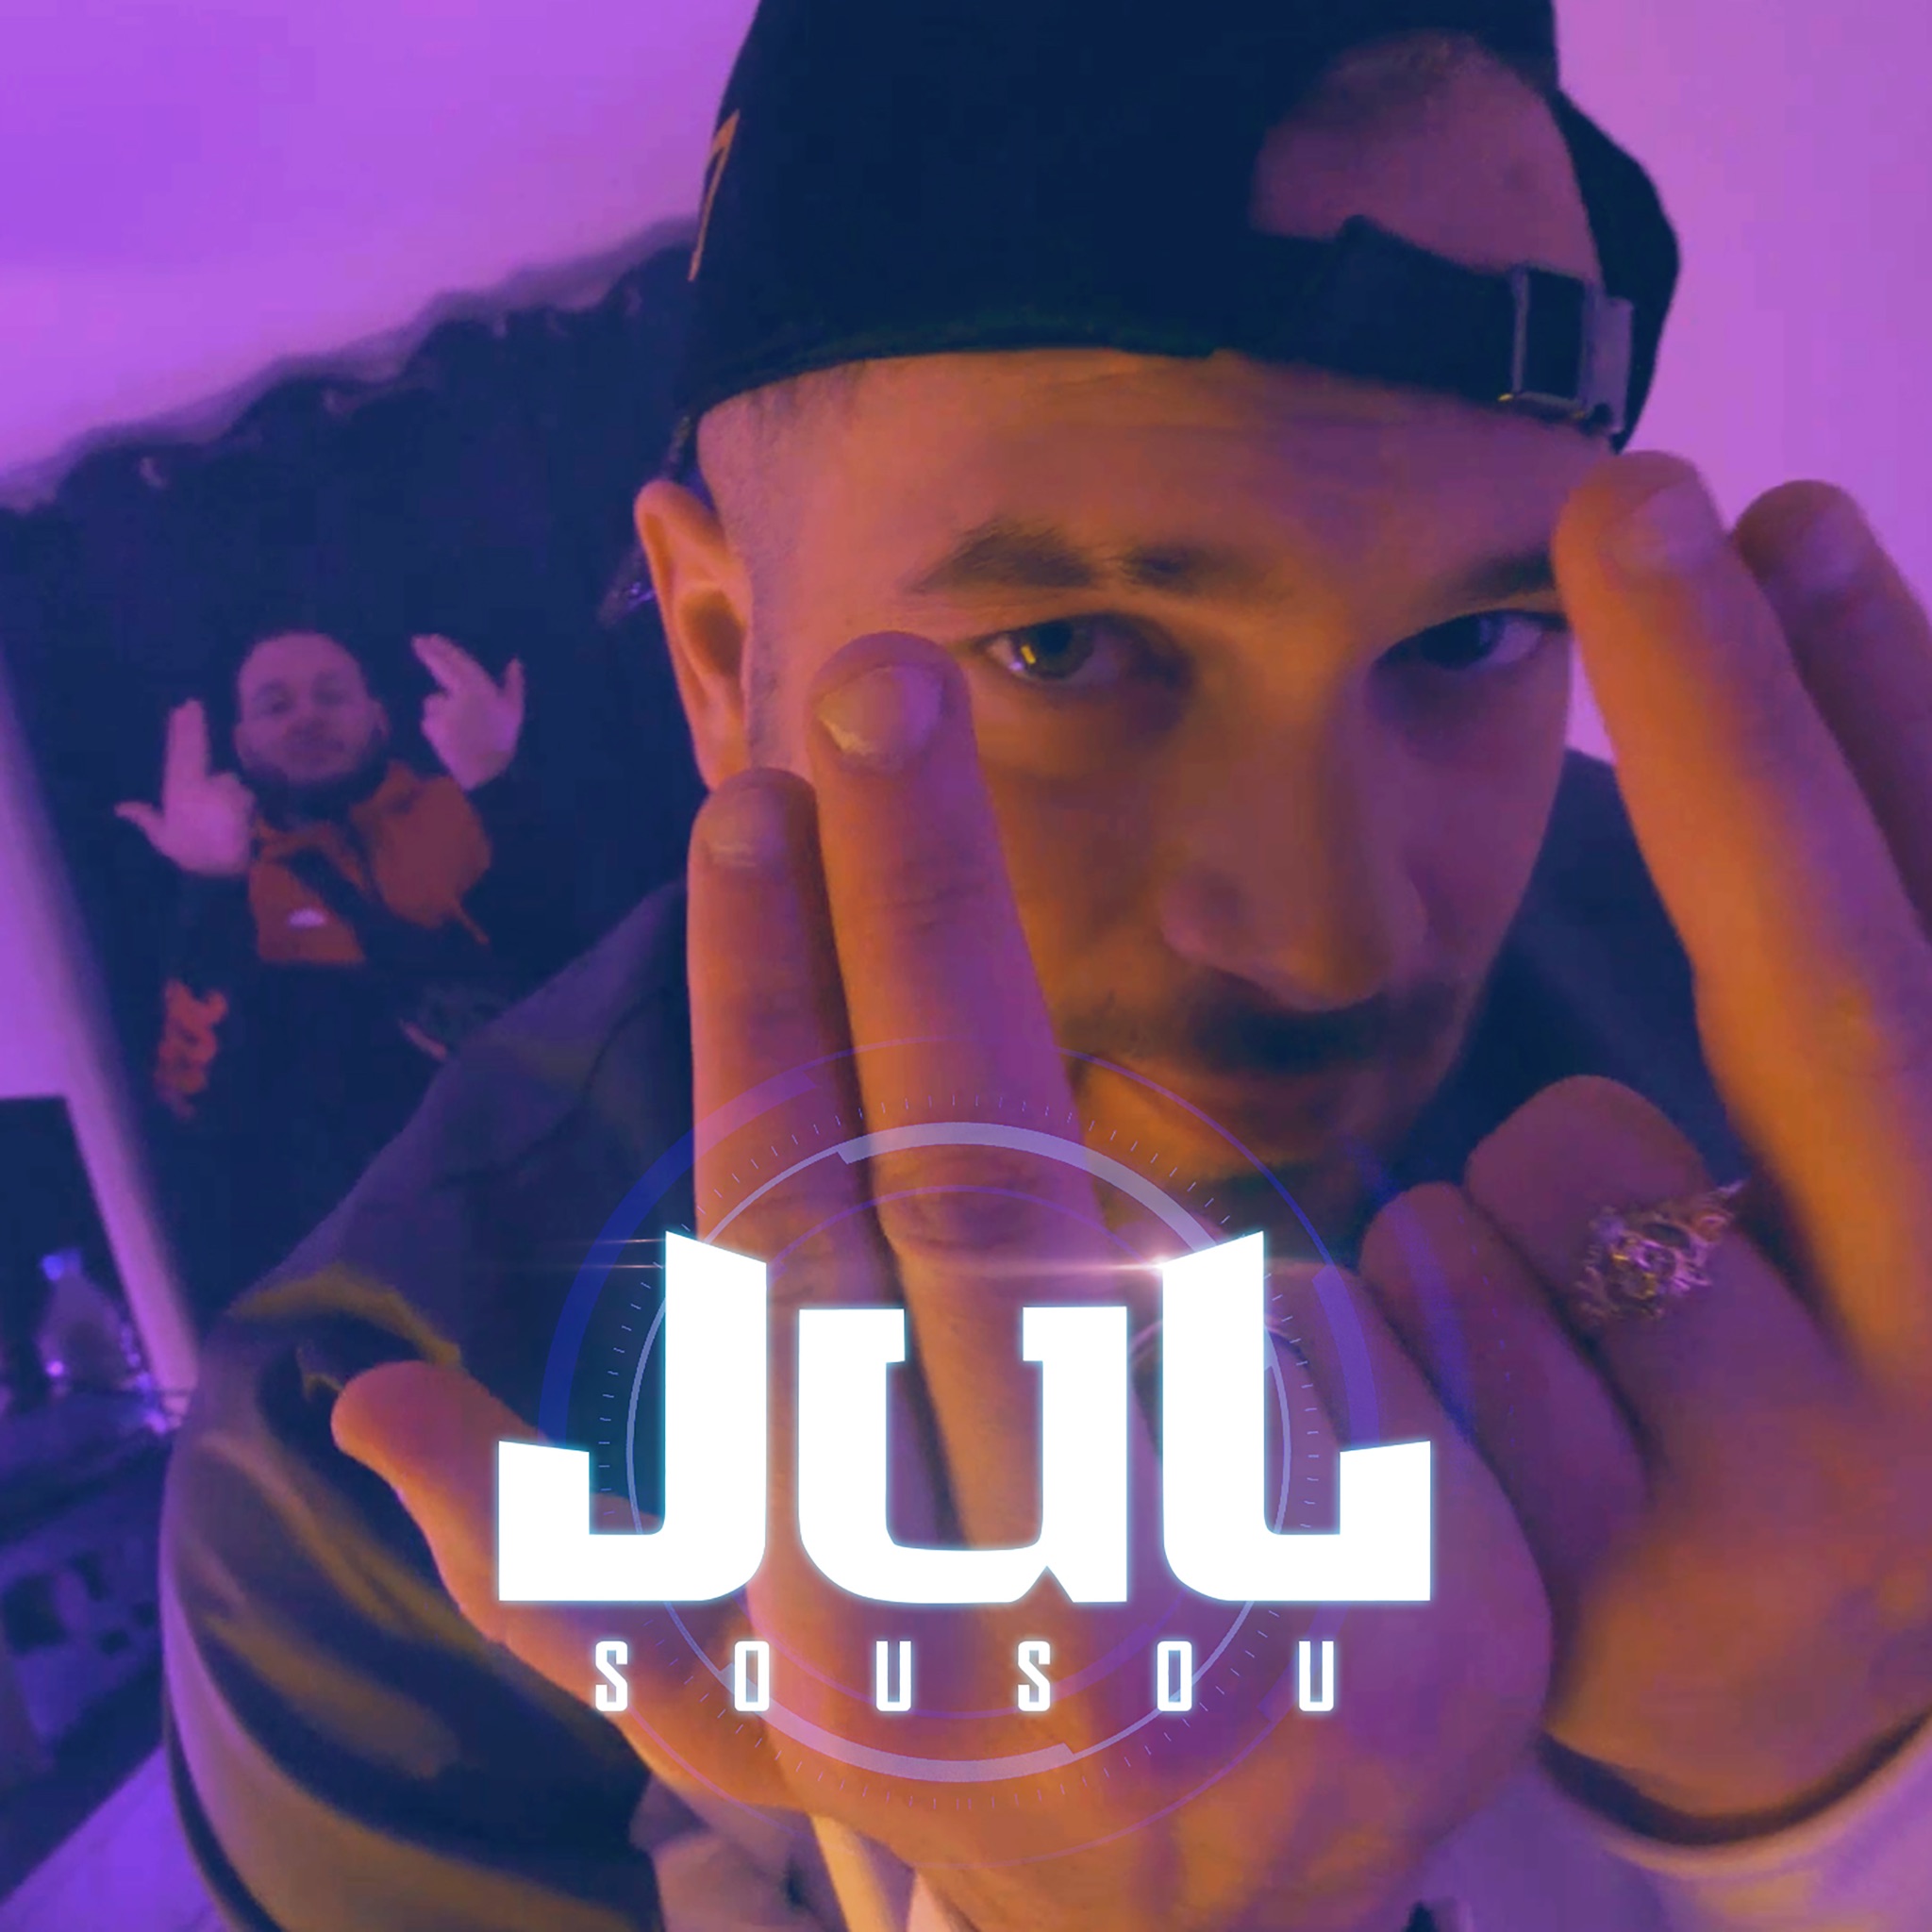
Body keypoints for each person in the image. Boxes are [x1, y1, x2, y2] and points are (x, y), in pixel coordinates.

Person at [160, 3, 1932, 1929]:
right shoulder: (384, 1491)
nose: (1331, 938)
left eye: (1470, 643)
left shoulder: (1781, 1031)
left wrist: (1838, 1766)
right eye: (1067, 649)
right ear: (721, 650)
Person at [120, 628, 577, 1321]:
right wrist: (209, 888)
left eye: (331, 696)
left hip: (564, 1214)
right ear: (242, 742)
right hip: (386, 1284)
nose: (307, 717)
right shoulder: (229, 893)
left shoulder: (464, 812)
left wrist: (498, 783)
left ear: (379, 716)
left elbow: (586, 972)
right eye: (276, 705)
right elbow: (197, 1108)